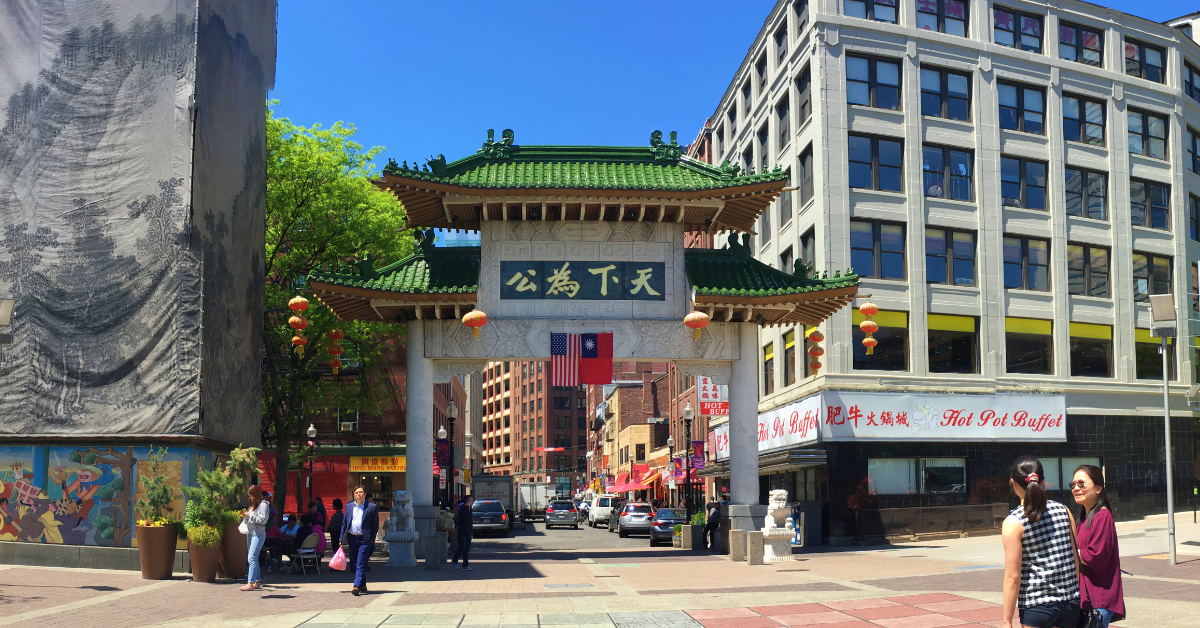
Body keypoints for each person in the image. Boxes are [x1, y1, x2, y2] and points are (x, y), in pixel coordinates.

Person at [1002, 456, 1080, 628]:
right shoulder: (1064, 511)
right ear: (1043, 481)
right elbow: (1075, 560)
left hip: (1036, 606)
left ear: (1013, 483)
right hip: (1070, 602)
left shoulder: (1014, 522)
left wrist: (1007, 620)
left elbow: (1013, 577)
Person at [1071, 465, 1124, 626]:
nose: (1076, 488)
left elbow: (1096, 556)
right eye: (1073, 485)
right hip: (1086, 598)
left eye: (1081, 484)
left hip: (1099, 598)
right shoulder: (1083, 518)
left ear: (1098, 488)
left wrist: (1069, 552)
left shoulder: (1103, 516)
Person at [340, 486, 378, 596]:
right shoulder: (349, 506)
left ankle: (356, 586)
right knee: (357, 562)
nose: (358, 494)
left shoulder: (371, 507)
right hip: (352, 538)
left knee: (360, 563)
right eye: (356, 492)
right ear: (353, 495)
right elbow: (345, 523)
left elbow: (375, 525)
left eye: (361, 492)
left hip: (364, 539)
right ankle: (363, 584)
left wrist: (371, 538)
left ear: (365, 494)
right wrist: (341, 538)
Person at [241, 484, 271, 591]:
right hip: (251, 533)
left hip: (258, 534)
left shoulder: (263, 505)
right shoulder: (254, 506)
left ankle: (250, 583)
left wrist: (250, 516)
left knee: (251, 558)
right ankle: (257, 582)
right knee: (254, 558)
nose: (249, 498)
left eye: (250, 496)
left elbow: (263, 520)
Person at [451, 495, 474, 570]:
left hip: (468, 531)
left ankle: (465, 565)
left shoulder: (471, 509)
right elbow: (464, 517)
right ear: (467, 501)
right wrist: (467, 507)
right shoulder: (462, 508)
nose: (472, 502)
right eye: (470, 500)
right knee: (462, 548)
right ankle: (455, 560)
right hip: (462, 531)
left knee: (467, 549)